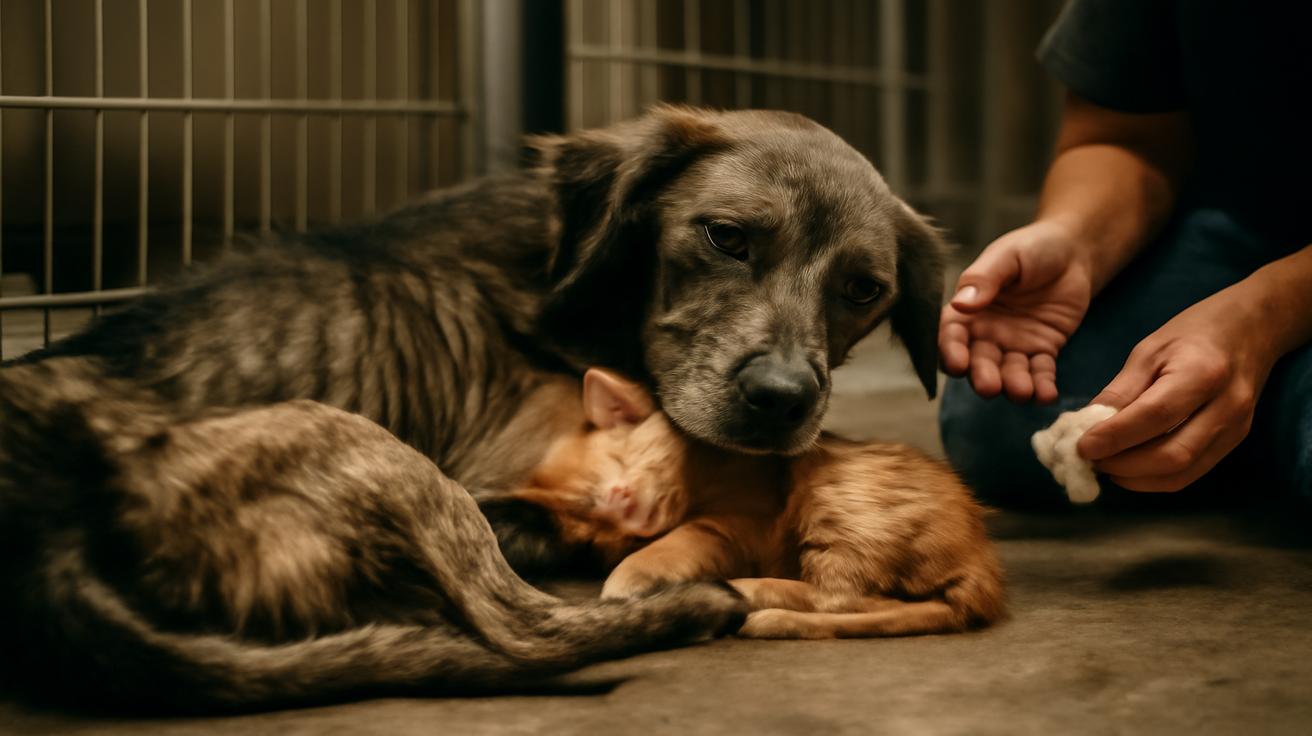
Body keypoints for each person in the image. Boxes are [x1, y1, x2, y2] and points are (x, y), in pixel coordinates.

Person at [938, 1, 1312, 506]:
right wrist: (1076, 237)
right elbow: (1124, 136)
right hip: (1240, 223)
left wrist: (1267, 319)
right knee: (998, 420)